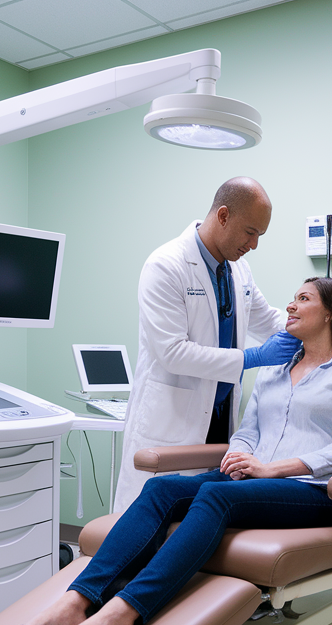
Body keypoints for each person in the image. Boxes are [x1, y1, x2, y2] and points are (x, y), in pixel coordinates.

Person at [0, 277, 332, 625]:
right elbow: (247, 432)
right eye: (293, 298)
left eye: (303, 299)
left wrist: (269, 469)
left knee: (216, 495)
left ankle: (121, 615)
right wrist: (241, 456)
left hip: (313, 491)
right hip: (254, 482)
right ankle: (75, 602)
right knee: (162, 489)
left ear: (330, 313)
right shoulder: (274, 371)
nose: (290, 306)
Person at [113, 177, 300, 514]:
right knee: (147, 526)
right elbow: (172, 352)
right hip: (172, 422)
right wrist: (253, 358)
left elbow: (265, 318)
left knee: (199, 524)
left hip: (219, 422)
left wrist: (311, 327)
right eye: (250, 232)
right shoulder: (166, 265)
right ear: (224, 216)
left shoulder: (239, 270)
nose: (254, 245)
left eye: (260, 235)